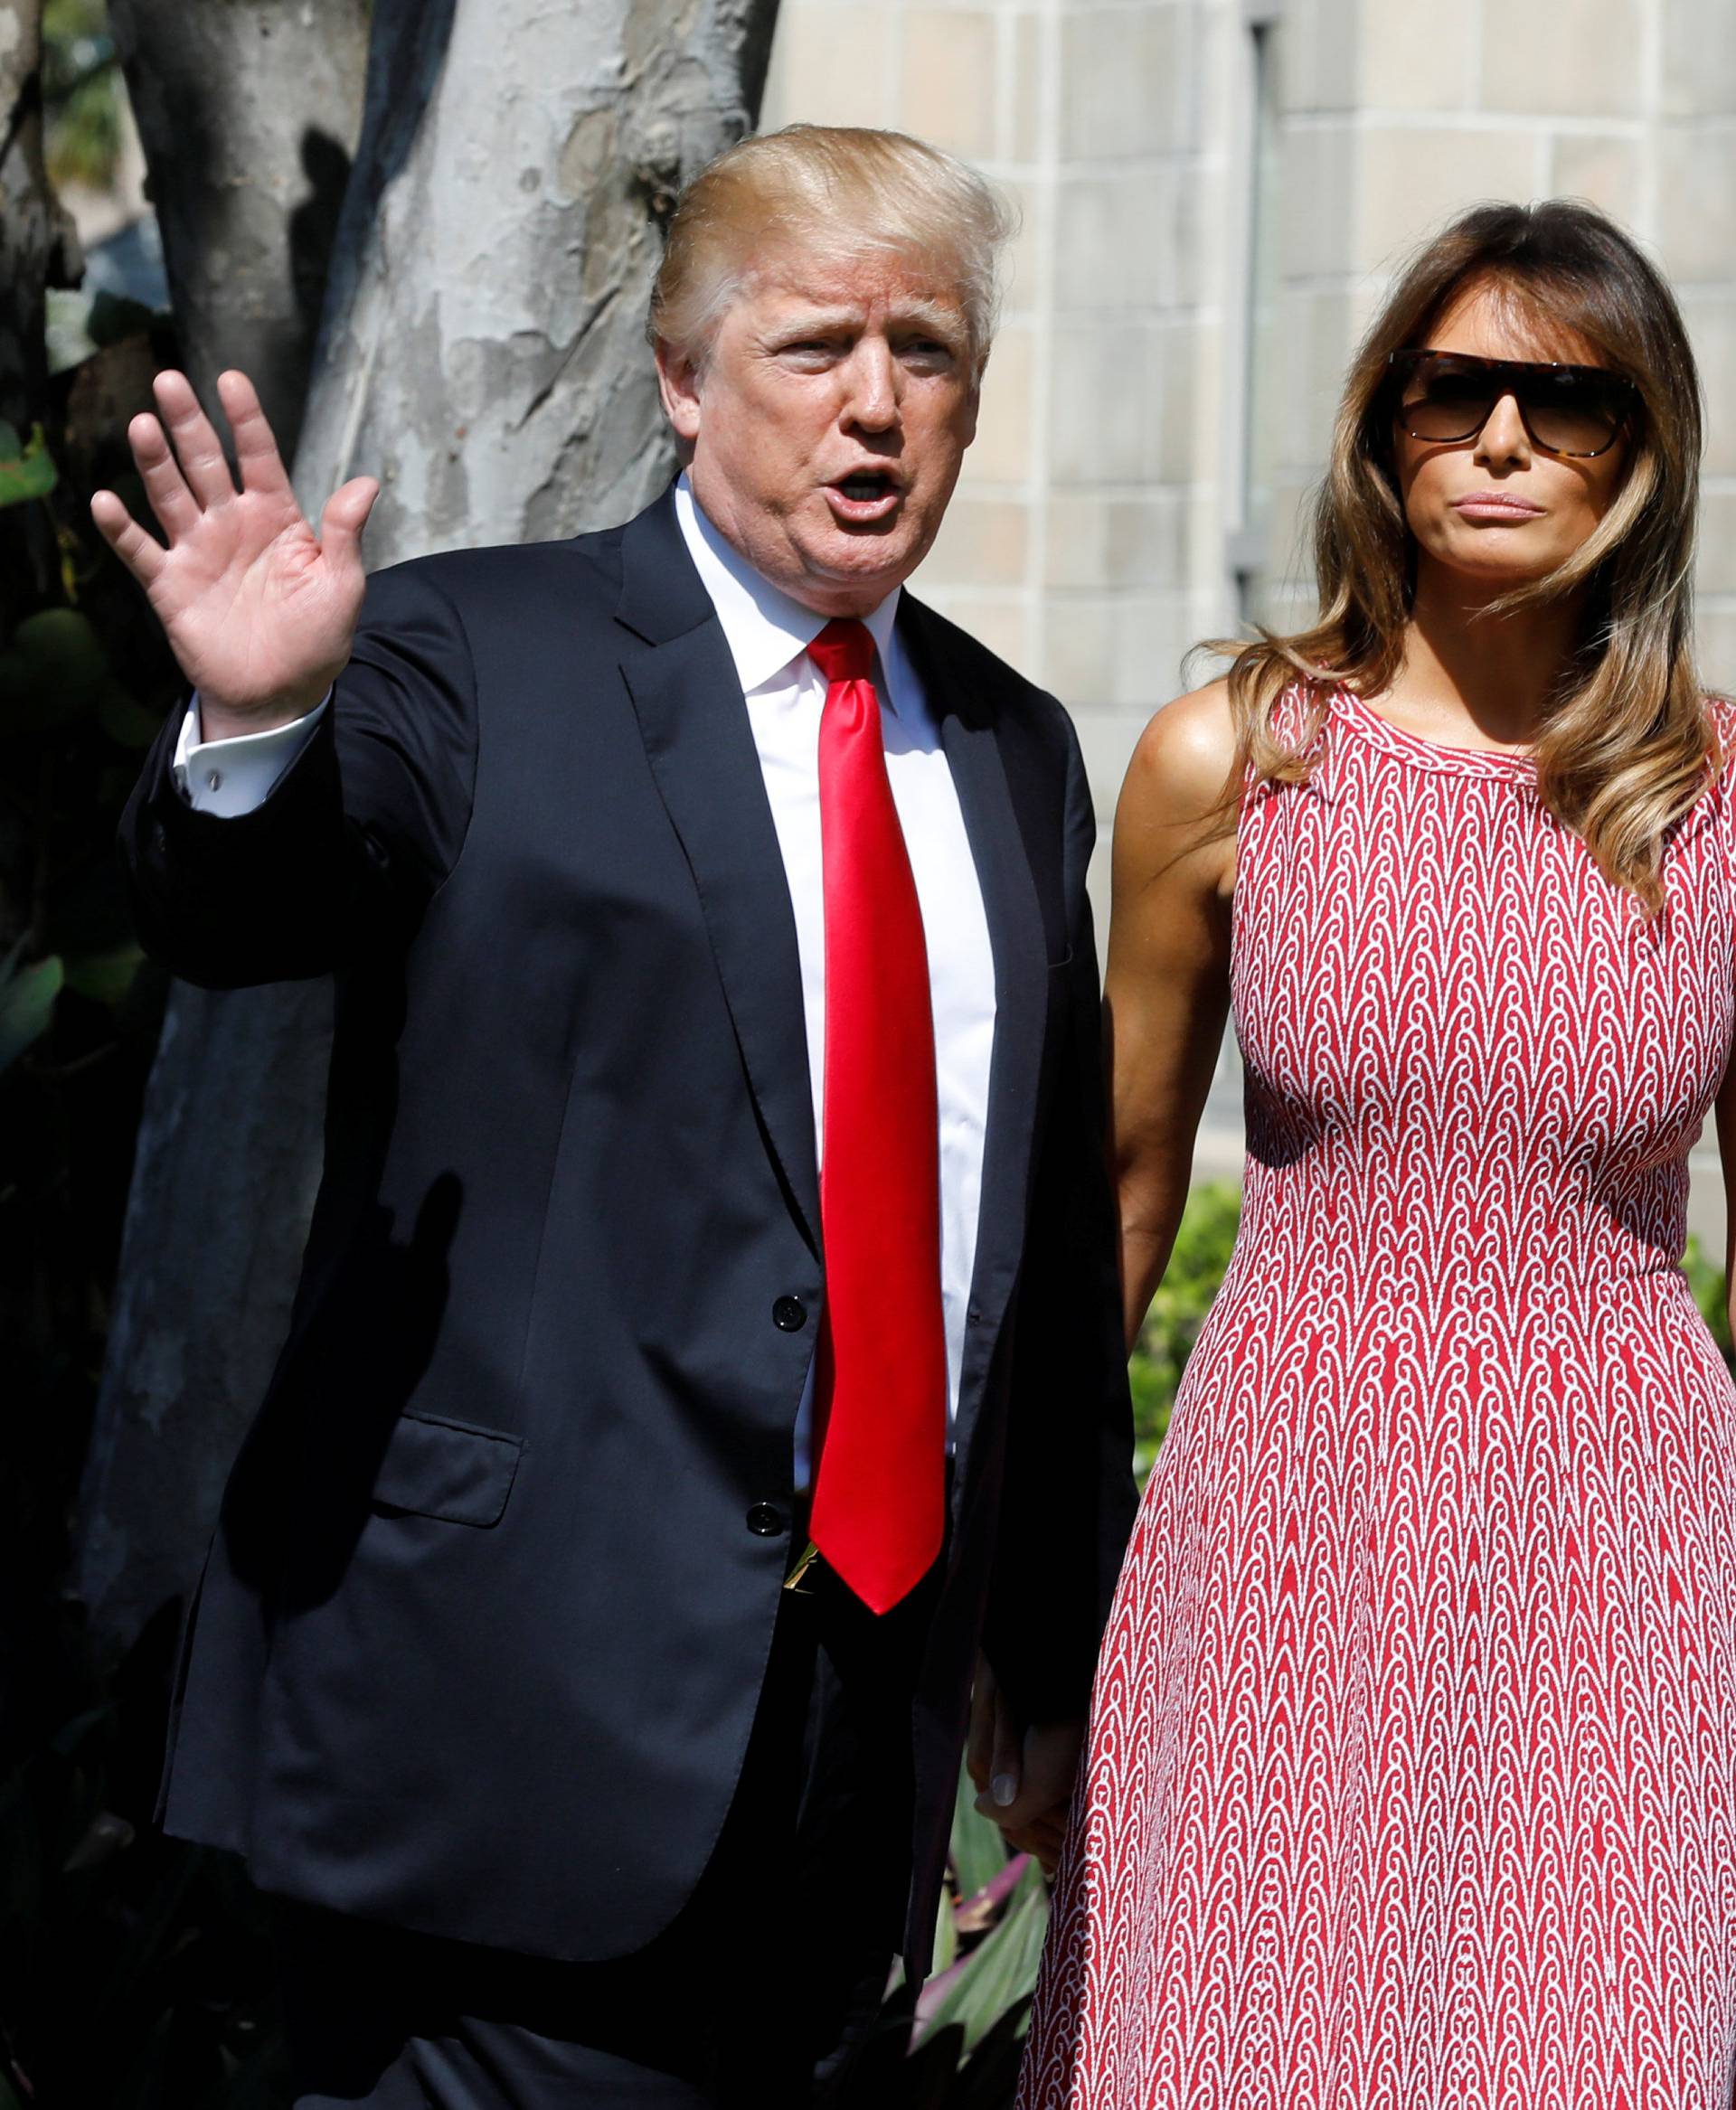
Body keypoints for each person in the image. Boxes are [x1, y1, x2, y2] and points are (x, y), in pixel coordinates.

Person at [96, 124, 1136, 2108]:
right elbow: (240, 913)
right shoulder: (474, 650)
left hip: (853, 1755)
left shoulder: (1012, 745)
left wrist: (1054, 1648)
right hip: (498, 1728)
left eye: (926, 353)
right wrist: (251, 733)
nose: (875, 404)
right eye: (814, 344)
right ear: (678, 377)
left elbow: (1033, 1244)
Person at [1020, 198, 1736, 2107]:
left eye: (1568, 402)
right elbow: (1120, 1198)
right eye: (1458, 389)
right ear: (1386, 426)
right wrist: (1033, 1596)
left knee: (1599, 2050)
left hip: (1623, 1546)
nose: (1504, 440)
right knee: (1246, 2046)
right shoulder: (1228, 761)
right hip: (1288, 1517)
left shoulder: (1721, 795)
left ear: (1643, 452)